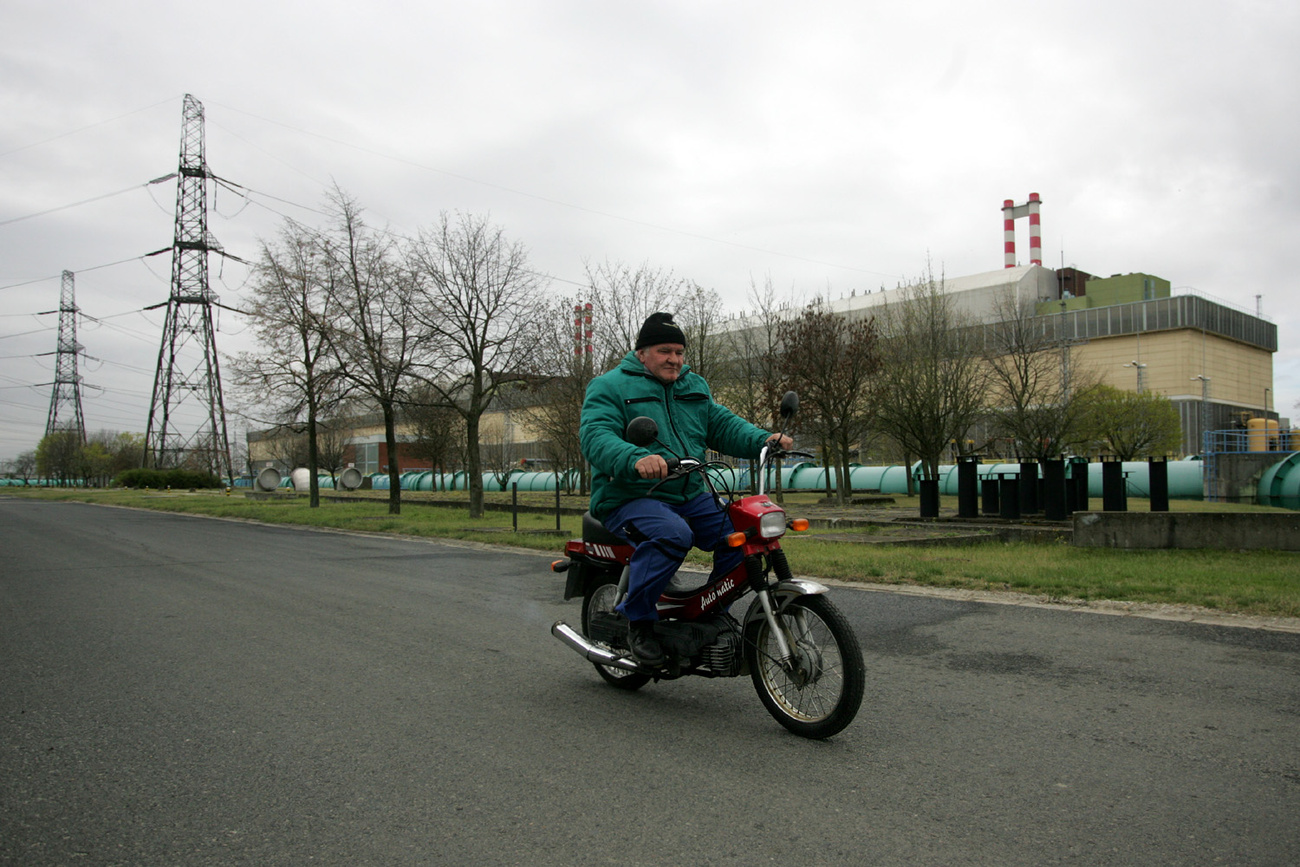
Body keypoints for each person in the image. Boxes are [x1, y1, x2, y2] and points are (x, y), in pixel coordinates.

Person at [579, 312, 792, 666]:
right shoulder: (610, 386)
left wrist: (764, 439)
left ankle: (710, 612)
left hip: (690, 492)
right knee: (672, 534)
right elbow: (595, 436)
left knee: (745, 531)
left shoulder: (693, 386)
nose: (674, 359)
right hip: (631, 495)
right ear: (642, 351)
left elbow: (722, 426)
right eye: (665, 351)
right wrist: (635, 458)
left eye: (679, 352)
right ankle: (640, 620)